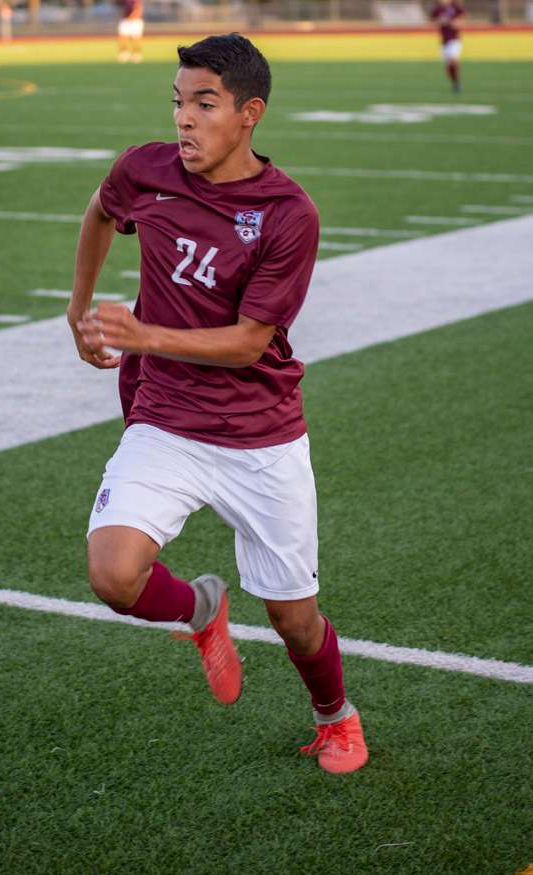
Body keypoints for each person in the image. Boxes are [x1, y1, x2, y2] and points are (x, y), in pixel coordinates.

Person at [68, 33, 369, 775]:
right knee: (113, 573)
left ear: (249, 115)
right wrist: (76, 312)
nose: (185, 120)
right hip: (166, 417)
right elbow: (100, 214)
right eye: (178, 102)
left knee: (295, 620)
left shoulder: (288, 213)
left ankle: (336, 715)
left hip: (259, 435)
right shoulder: (148, 170)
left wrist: (143, 331)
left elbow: (246, 342)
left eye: (205, 104)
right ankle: (199, 609)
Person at [430, 0, 464, 92]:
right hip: (444, 41)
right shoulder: (437, 9)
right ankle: (454, 82)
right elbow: (433, 22)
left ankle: (457, 82)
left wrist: (452, 23)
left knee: (453, 59)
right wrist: (440, 22)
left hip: (454, 39)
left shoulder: (455, 7)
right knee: (448, 65)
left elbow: (461, 21)